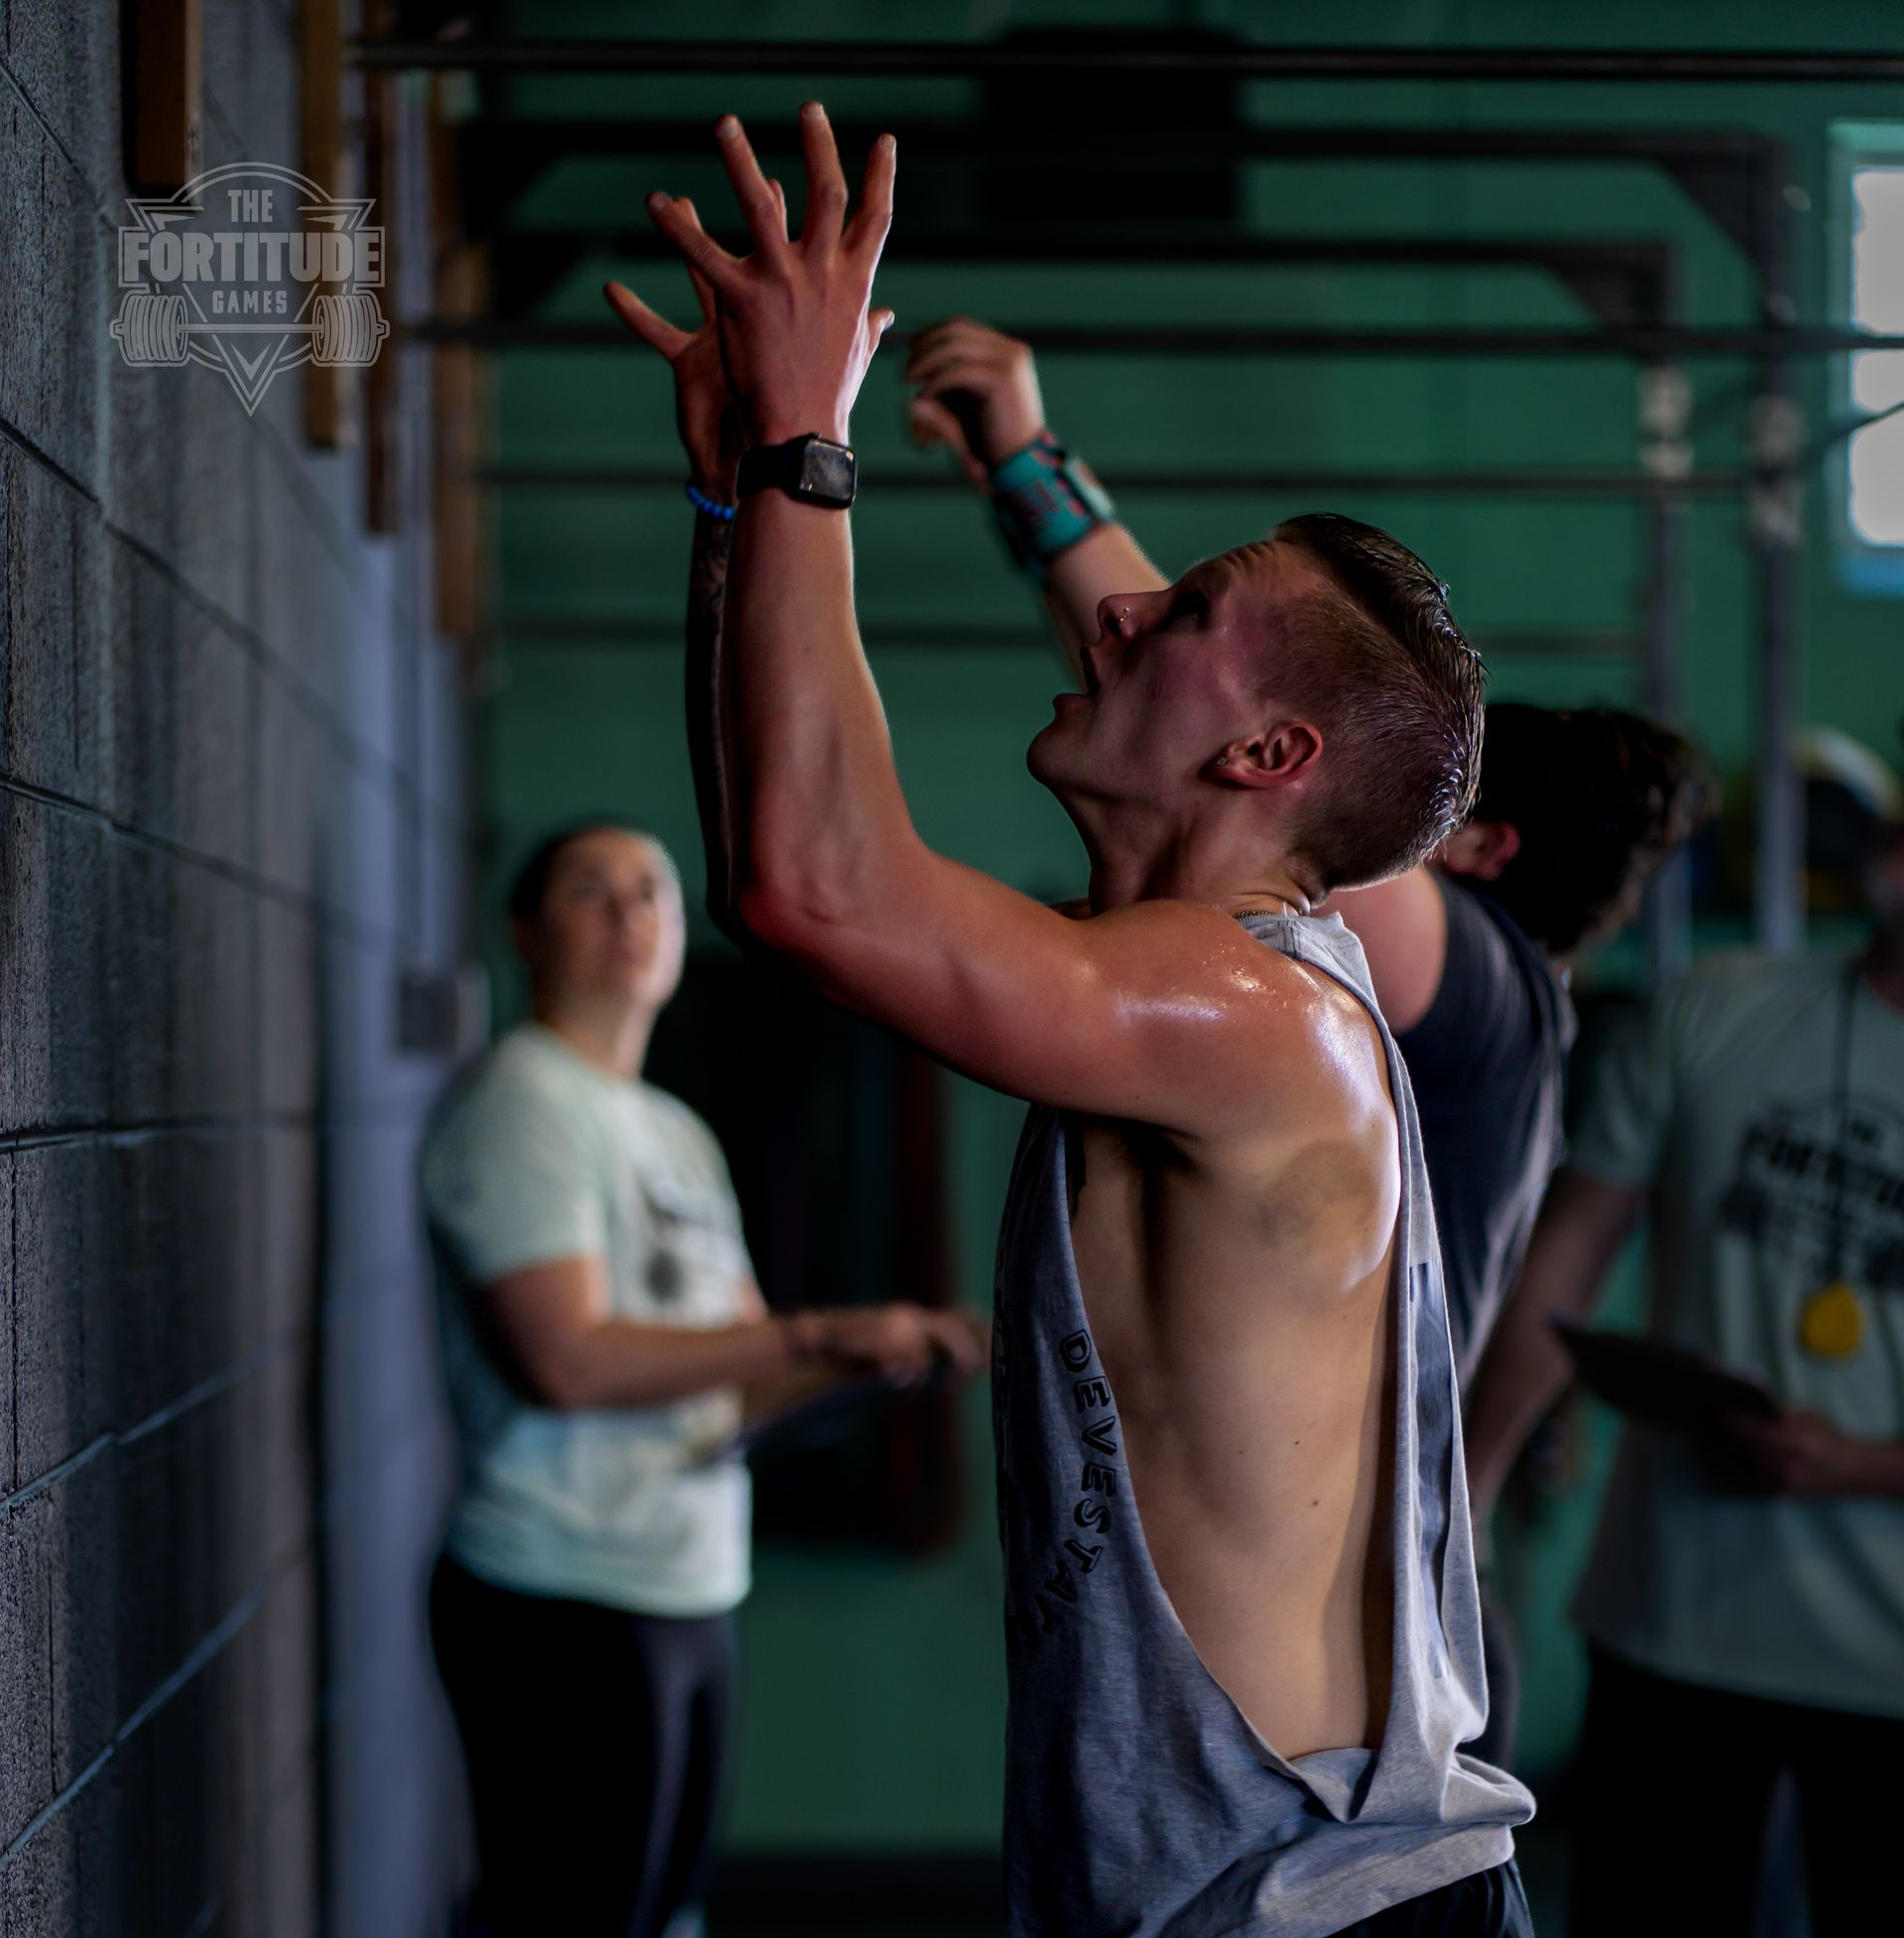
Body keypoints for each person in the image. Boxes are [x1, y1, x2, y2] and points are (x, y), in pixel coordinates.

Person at [609, 103, 1533, 1937]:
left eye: (1177, 612)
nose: (1111, 623)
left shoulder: (1262, 1012)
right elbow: (780, 882)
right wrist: (735, 501)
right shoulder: (1192, 988)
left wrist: (810, 445)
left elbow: (821, 886)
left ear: (1269, 757)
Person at [902, 320, 1716, 1763]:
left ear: (1475, 847)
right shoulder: (1466, 1037)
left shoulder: (1483, 995)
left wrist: (1032, 464)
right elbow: (1196, 716)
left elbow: (1236, 718)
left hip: (1358, 1735)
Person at [421, 821, 986, 1938]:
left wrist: (870, 1361)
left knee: (662, 1917)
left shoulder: (672, 1131)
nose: (631, 913)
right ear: (527, 932)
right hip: (559, 1594)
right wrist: (820, 1324)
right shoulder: (524, 1101)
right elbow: (569, 1362)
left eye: (652, 892)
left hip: (685, 1589)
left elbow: (727, 1394)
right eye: (593, 890)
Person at [1461, 812, 1904, 1938]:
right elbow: (1560, 1273)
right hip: (1677, 1625)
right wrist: (1453, 1514)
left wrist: (1857, 1462)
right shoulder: (1713, 1008)